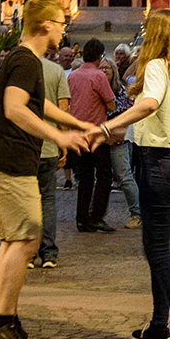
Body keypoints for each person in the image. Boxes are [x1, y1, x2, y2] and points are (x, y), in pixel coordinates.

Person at [0, 0, 91, 339]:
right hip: (9, 163)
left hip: (3, 161)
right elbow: (14, 108)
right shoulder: (26, 61)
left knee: (13, 242)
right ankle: (4, 320)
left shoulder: (23, 60)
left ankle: (6, 316)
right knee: (27, 241)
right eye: (60, 22)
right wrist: (58, 136)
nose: (63, 28)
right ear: (45, 25)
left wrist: (74, 122)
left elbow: (34, 102)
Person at [91, 10, 170, 339]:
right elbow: (160, 113)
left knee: (157, 252)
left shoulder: (156, 66)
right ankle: (158, 323)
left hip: (161, 164)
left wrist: (108, 127)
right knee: (159, 247)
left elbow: (150, 104)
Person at [68, 39, 117, 232]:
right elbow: (111, 104)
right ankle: (96, 215)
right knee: (105, 174)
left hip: (77, 133)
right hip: (96, 132)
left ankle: (82, 218)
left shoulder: (72, 76)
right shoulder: (98, 76)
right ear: (99, 56)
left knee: (85, 177)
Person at [33, 51, 71, 269]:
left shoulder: (18, 68)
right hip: (48, 145)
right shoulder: (56, 71)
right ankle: (48, 253)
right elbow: (62, 108)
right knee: (47, 199)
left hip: (25, 146)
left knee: (28, 201)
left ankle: (28, 253)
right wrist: (62, 140)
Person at [100, 55, 142, 223]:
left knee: (124, 177)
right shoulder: (96, 88)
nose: (103, 71)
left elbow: (128, 114)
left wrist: (120, 133)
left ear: (113, 71)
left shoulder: (120, 91)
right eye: (101, 68)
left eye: (107, 68)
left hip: (119, 139)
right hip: (100, 138)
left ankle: (136, 213)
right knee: (102, 178)